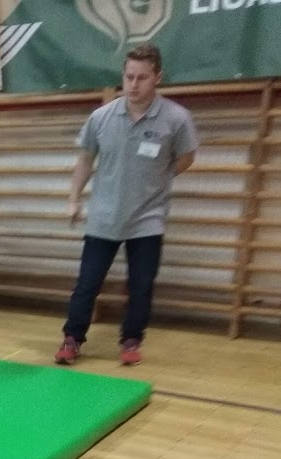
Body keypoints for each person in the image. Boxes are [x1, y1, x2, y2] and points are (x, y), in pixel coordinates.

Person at [56, 43, 197, 367]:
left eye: (142, 78)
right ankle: (72, 338)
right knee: (87, 283)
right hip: (103, 216)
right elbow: (85, 160)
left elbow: (187, 157)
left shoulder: (176, 118)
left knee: (141, 285)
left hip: (148, 218)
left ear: (157, 77)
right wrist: (73, 199)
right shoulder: (101, 117)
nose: (133, 84)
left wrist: (160, 177)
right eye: (129, 76)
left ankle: (131, 340)